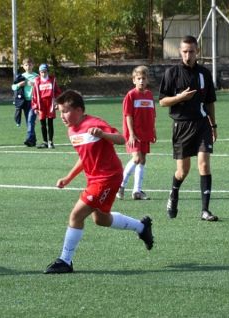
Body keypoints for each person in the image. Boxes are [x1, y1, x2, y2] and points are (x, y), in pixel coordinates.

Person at [44, 90, 153, 274]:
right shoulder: (71, 130)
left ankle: (65, 260)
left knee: (76, 216)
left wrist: (103, 134)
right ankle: (142, 227)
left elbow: (122, 139)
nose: (61, 116)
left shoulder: (93, 123)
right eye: (60, 111)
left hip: (107, 178)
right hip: (95, 179)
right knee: (101, 219)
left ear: (79, 110)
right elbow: (83, 157)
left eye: (65, 111)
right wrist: (68, 177)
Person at [158, 35, 218, 222]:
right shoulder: (172, 73)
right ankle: (173, 194)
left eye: (191, 51)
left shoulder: (204, 74)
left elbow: (209, 102)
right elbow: (162, 101)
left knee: (204, 164)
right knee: (183, 171)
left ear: (197, 51)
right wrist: (179, 98)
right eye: (184, 51)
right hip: (181, 126)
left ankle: (205, 210)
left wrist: (213, 125)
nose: (188, 55)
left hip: (202, 124)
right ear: (180, 52)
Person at [117, 65, 156, 200]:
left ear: (147, 80)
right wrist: (131, 133)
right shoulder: (131, 95)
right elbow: (128, 115)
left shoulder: (150, 95)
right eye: (138, 78)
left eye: (143, 78)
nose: (141, 81)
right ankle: (121, 185)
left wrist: (153, 130)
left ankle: (137, 191)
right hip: (134, 133)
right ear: (134, 80)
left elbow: (152, 114)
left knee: (142, 160)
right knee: (136, 158)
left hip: (146, 132)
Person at [32, 63, 61, 149]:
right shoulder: (37, 81)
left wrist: (57, 102)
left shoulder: (52, 80)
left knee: (50, 123)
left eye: (45, 71)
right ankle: (45, 142)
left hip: (50, 104)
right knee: (42, 124)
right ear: (39, 72)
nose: (43, 74)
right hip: (41, 104)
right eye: (41, 72)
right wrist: (35, 107)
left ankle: (50, 142)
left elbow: (57, 92)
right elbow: (34, 95)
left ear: (47, 71)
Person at [11, 58, 39, 147]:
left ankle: (29, 139)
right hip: (24, 102)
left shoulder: (37, 76)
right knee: (28, 121)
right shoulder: (21, 76)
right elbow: (13, 87)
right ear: (23, 66)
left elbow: (42, 86)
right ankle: (33, 140)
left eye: (30, 65)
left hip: (34, 101)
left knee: (30, 119)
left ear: (33, 65)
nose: (28, 66)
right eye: (26, 65)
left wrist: (34, 84)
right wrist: (19, 84)